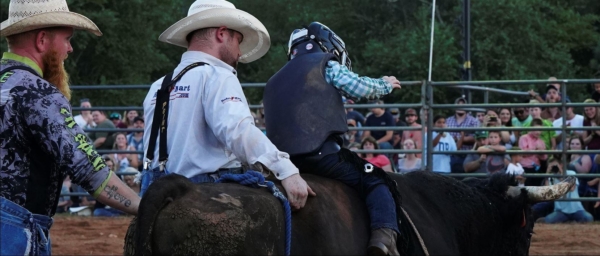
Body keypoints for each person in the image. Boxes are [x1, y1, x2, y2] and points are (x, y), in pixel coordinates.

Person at [141, 0, 314, 212]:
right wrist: (285, 169)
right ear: (222, 34)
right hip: (204, 193)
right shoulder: (217, 74)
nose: (239, 52)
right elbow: (236, 130)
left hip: (156, 194)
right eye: (238, 41)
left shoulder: (158, 86)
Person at [0, 0, 140, 254]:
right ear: (42, 40)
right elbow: (89, 168)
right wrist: (143, 206)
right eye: (66, 39)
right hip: (12, 229)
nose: (70, 48)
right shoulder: (39, 93)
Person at [264, 22, 402, 255]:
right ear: (326, 43)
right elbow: (357, 88)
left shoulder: (273, 80)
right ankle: (384, 238)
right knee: (377, 180)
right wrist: (385, 84)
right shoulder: (325, 65)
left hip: (285, 164)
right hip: (323, 156)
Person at [542, 158, 593, 224]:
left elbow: (572, 188)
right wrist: (547, 174)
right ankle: (569, 221)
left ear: (561, 165)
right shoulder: (551, 177)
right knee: (548, 220)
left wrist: (560, 175)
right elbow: (548, 193)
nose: (554, 168)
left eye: (556, 165)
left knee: (589, 218)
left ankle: (568, 221)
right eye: (552, 166)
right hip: (560, 211)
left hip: (576, 210)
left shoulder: (571, 173)